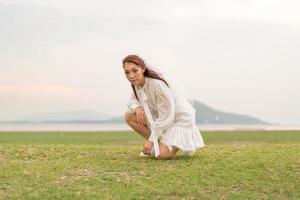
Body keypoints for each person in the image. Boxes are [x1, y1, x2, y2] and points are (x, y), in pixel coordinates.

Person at [123, 55, 205, 160]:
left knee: (161, 155)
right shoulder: (137, 83)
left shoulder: (157, 85)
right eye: (127, 72)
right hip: (162, 120)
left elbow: (166, 118)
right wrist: (138, 108)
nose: (131, 76)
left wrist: (150, 140)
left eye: (135, 71)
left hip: (178, 121)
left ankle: (175, 143)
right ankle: (158, 143)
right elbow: (132, 101)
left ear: (143, 69)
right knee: (129, 115)